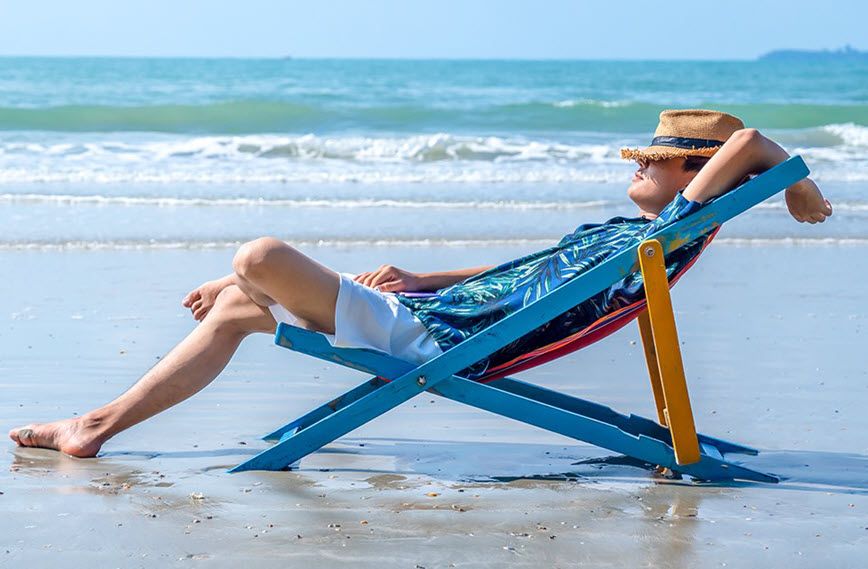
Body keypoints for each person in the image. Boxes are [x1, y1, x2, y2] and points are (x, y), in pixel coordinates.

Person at [9, 109, 832, 457]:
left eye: (655, 158)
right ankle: (95, 424)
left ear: (694, 173)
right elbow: (526, 279)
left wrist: (792, 179)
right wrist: (419, 276)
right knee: (235, 303)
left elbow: (752, 140)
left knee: (256, 257)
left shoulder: (664, 232)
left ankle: (98, 419)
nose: (640, 164)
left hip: (435, 342)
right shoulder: (629, 236)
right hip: (428, 313)